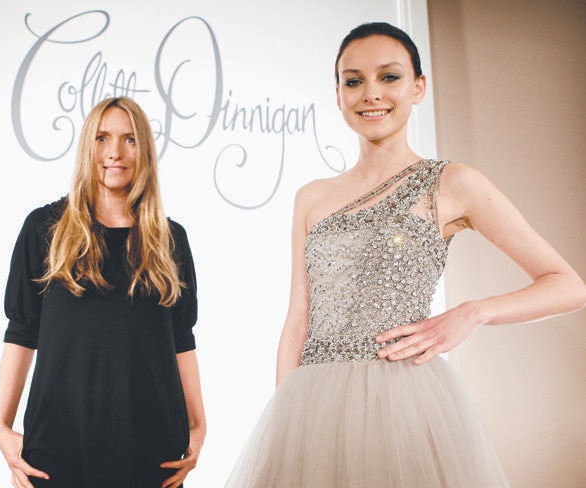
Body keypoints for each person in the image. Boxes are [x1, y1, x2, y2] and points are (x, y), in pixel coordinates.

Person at [225, 22, 586, 487]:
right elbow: (299, 317)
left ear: (418, 88)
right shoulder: (311, 197)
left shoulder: (452, 184)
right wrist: (285, 426)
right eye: (353, 81)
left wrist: (472, 313)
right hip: (313, 407)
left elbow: (567, 284)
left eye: (389, 77)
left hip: (402, 402)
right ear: (338, 96)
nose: (370, 94)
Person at [0, 97, 206, 488]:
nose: (114, 153)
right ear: (87, 146)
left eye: (129, 140)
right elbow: (21, 330)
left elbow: (181, 338)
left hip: (151, 445)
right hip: (58, 444)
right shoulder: (45, 230)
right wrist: (1, 426)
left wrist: (198, 425)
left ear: (144, 149)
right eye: (103, 138)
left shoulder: (170, 239)